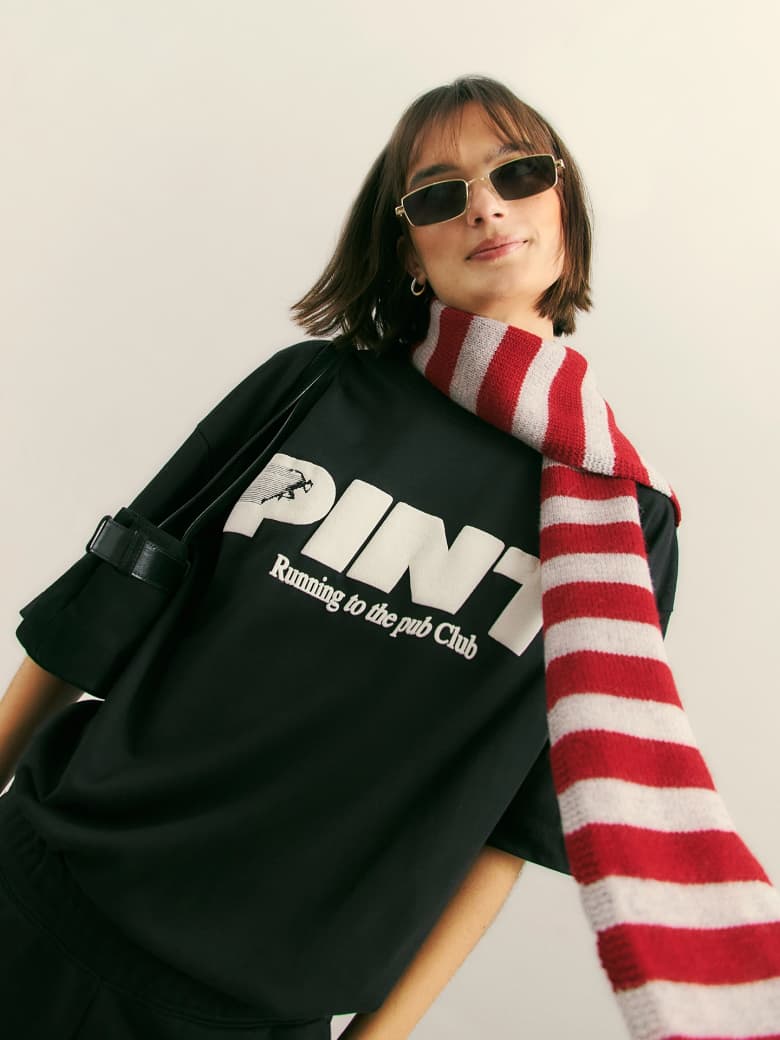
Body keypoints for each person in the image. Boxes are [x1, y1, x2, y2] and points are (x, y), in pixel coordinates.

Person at [1, 75, 777, 1040]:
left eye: (517, 174)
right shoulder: (309, 390)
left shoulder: (623, 529)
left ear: (564, 209)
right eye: (440, 193)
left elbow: (514, 822)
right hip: (38, 891)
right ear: (409, 248)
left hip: (251, 1011)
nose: (485, 206)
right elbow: (96, 612)